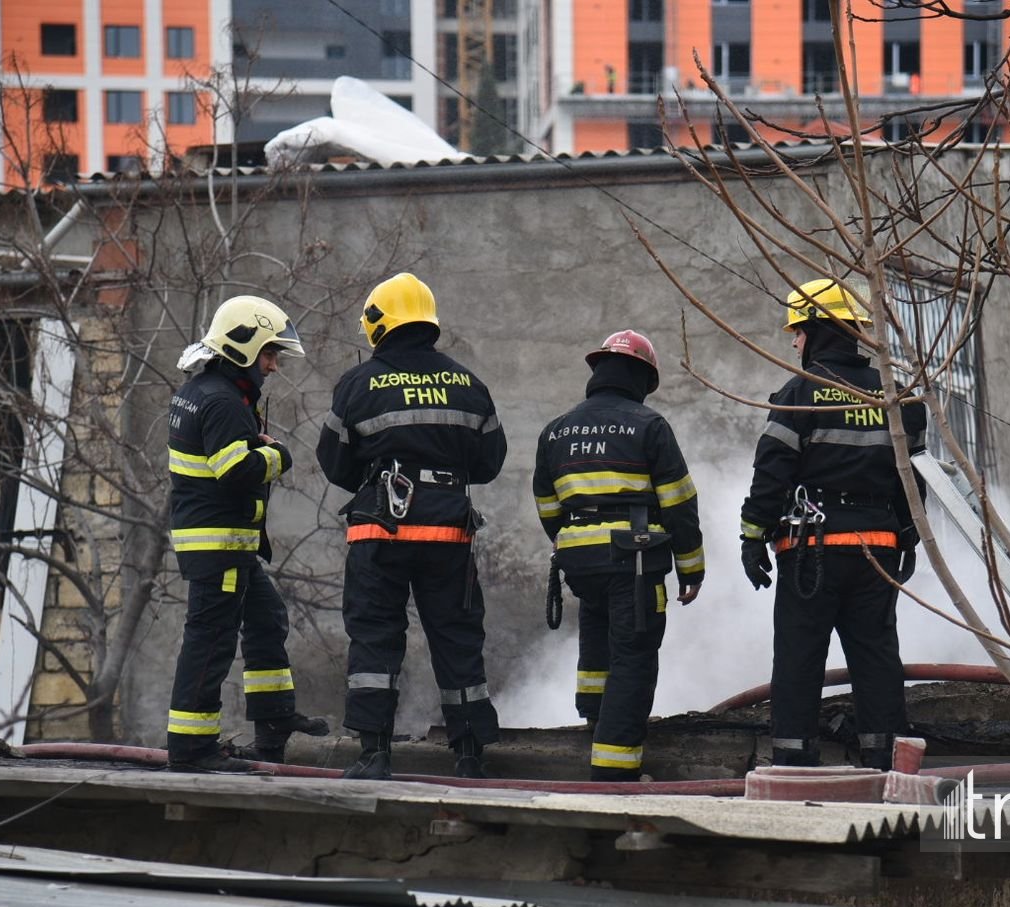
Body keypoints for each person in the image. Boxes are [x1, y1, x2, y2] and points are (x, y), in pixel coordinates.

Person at [318, 272, 506, 780]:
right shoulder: (468, 384)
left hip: (380, 531)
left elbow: (334, 462)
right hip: (448, 535)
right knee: (457, 638)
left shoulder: (358, 384)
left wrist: (379, 475)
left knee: (375, 637)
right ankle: (470, 756)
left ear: (378, 324)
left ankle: (374, 754)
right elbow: (489, 462)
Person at [738, 278, 926, 771]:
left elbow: (770, 475)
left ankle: (793, 763)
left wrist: (752, 538)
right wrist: (909, 535)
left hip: (811, 552)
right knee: (877, 658)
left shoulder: (798, 394)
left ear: (818, 330)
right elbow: (914, 477)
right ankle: (885, 762)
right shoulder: (897, 397)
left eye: (798, 332)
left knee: (799, 658)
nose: (795, 343)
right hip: (877, 549)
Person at [165, 295, 330, 773]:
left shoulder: (203, 390)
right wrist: (278, 455)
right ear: (242, 347)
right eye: (269, 354)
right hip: (220, 547)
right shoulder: (222, 402)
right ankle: (193, 748)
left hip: (226, 545)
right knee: (211, 641)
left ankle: (273, 720)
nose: (274, 366)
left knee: (266, 618)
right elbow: (235, 470)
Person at [532, 330, 704, 781]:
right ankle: (614, 771)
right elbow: (679, 503)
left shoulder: (557, 429)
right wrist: (691, 568)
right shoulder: (649, 426)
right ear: (642, 378)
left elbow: (547, 504)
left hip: (579, 560)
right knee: (634, 655)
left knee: (597, 635)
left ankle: (593, 720)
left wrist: (573, 541)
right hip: (634, 560)